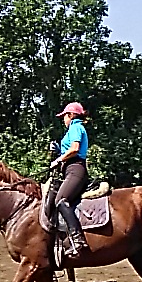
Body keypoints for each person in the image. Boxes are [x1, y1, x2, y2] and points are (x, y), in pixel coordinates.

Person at [49, 102, 90, 256]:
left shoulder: (75, 127)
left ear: (71, 115)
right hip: (70, 169)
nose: (63, 120)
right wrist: (59, 151)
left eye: (64, 116)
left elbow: (74, 149)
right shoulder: (74, 128)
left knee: (61, 200)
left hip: (75, 169)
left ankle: (78, 240)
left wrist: (58, 160)